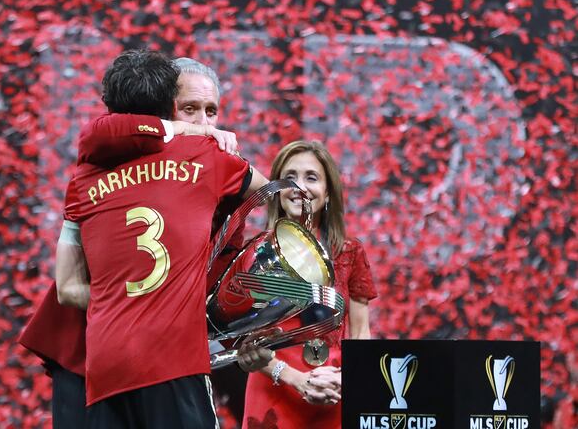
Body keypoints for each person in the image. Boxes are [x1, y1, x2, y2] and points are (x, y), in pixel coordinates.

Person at [19, 56, 268, 426]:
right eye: (189, 110)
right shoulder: (102, 166)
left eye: (211, 112)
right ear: (159, 115)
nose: (203, 123)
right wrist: (148, 302)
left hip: (150, 354)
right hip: (80, 351)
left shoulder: (216, 181)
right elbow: (70, 288)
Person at [242, 140, 378, 429]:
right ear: (277, 190)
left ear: (328, 192)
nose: (299, 186)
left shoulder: (350, 251)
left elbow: (362, 333)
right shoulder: (254, 252)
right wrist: (293, 378)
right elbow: (244, 343)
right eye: (289, 177)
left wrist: (346, 379)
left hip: (334, 393)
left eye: (311, 178)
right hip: (273, 393)